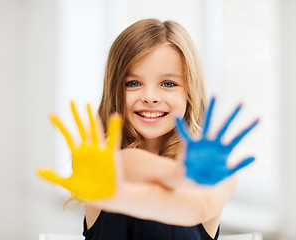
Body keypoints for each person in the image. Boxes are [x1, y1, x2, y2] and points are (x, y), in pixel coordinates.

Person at [38, 18, 258, 240]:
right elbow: (128, 165)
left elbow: (197, 207)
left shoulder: (218, 172)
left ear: (189, 91)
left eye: (168, 84)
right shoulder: (104, 165)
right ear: (115, 90)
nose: (150, 97)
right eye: (133, 83)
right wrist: (178, 174)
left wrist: (186, 178)